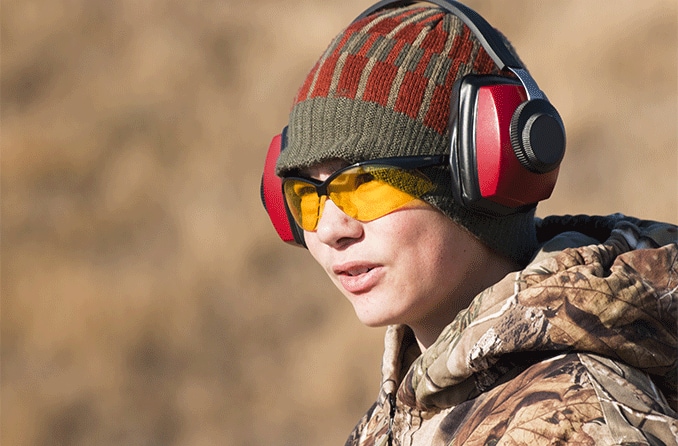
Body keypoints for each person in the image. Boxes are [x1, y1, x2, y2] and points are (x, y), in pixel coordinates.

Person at [260, 1, 678, 444]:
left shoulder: (570, 424)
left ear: (486, 169)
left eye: (366, 184)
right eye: (306, 195)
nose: (329, 229)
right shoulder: (402, 412)